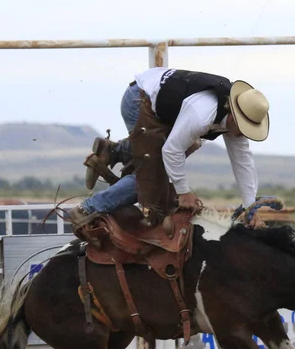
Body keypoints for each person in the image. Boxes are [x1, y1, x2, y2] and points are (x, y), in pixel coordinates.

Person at [67, 67, 270, 230]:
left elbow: (243, 162)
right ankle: (88, 210)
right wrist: (183, 192)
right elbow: (171, 151)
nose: (245, 133)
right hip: (139, 99)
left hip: (159, 101)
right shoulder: (202, 114)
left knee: (189, 143)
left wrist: (250, 206)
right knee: (153, 177)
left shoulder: (233, 118)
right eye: (244, 127)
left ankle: (113, 151)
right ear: (234, 116)